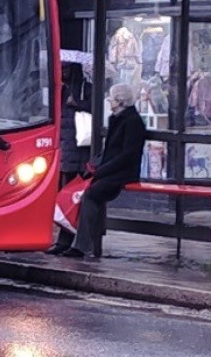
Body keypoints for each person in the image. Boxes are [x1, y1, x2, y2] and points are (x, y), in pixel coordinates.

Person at [59, 82, 146, 260]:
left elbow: (127, 156)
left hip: (122, 173)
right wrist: (95, 167)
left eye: (112, 97)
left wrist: (101, 171)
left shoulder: (132, 122)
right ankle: (64, 242)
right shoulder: (116, 118)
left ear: (120, 101)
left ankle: (81, 246)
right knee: (75, 192)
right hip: (110, 170)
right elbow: (110, 151)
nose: (108, 100)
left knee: (90, 194)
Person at [45, 62, 93, 254]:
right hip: (65, 151)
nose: (62, 72)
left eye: (66, 69)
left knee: (74, 199)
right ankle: (64, 241)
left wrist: (78, 104)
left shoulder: (84, 89)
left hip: (80, 152)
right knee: (64, 199)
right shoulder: (60, 90)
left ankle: (76, 243)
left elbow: (95, 110)